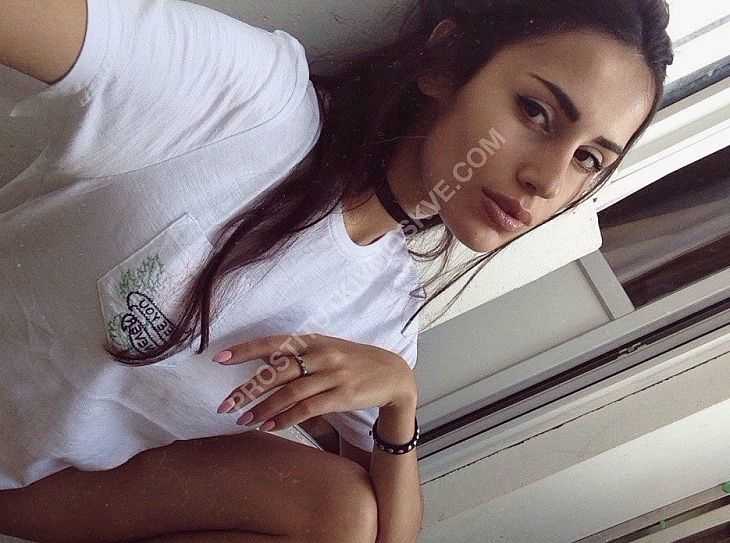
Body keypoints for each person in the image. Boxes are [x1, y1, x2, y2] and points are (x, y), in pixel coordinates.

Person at [0, 0, 673, 541]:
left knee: (346, 512)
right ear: (445, 63)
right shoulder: (255, 101)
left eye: (589, 159)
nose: (547, 180)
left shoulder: (383, 310)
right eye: (535, 112)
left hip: (31, 491)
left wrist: (400, 401)